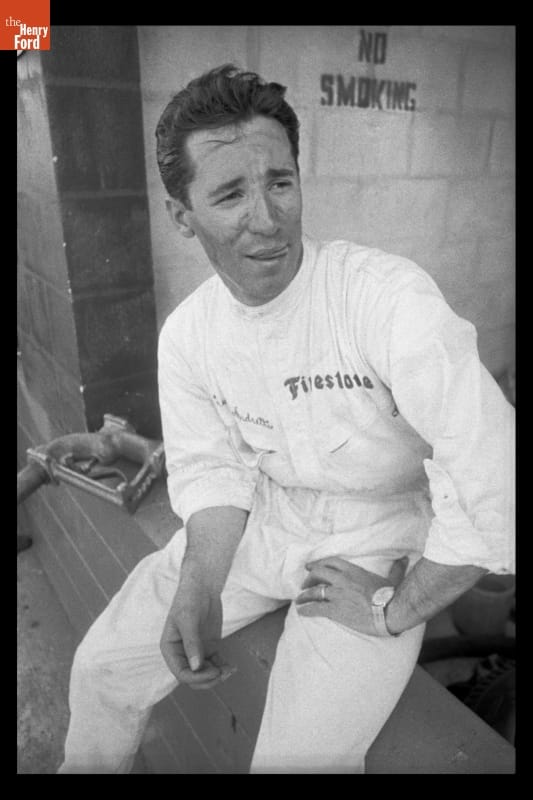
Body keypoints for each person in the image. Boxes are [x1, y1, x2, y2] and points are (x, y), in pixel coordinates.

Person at [58, 64, 515, 774]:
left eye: (279, 182)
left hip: (377, 536)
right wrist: (199, 584)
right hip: (263, 520)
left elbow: (493, 470)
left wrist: (397, 607)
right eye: (230, 194)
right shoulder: (189, 335)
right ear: (182, 215)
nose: (267, 219)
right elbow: (214, 472)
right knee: (102, 667)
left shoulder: (383, 299)